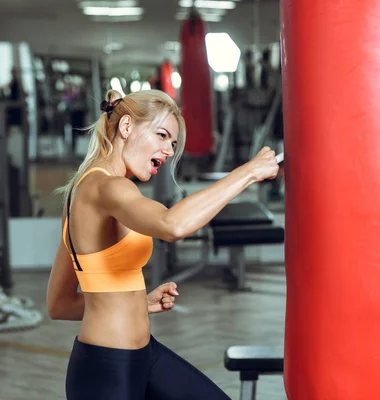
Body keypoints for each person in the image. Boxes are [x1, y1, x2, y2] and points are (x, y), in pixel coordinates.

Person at [46, 89, 279, 400]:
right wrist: (248, 173)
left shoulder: (81, 191)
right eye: (161, 135)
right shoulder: (107, 188)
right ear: (126, 128)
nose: (168, 150)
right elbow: (173, 225)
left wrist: (138, 304)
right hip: (106, 370)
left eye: (172, 143)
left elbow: (59, 304)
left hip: (144, 356)